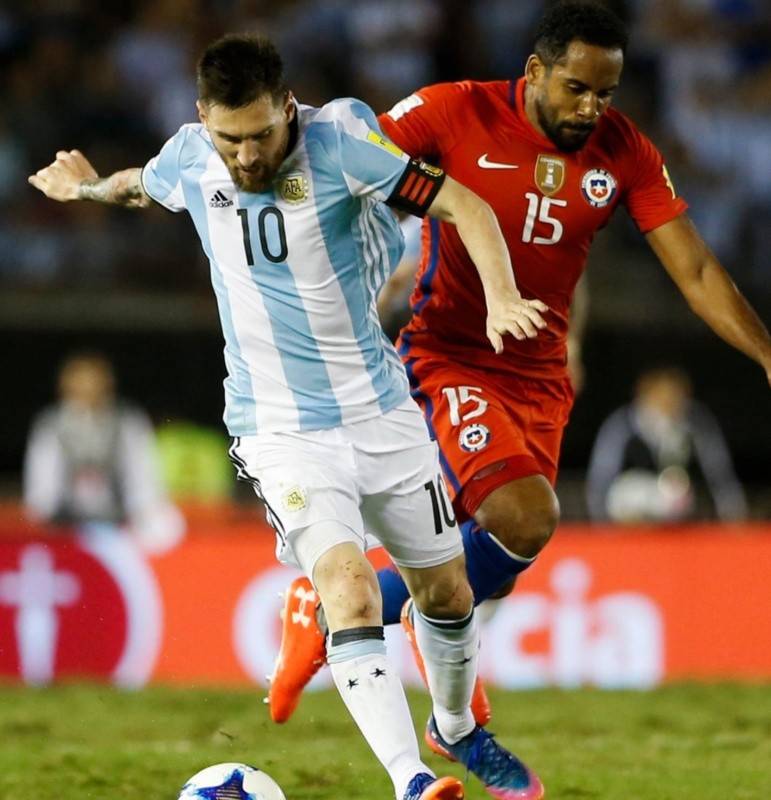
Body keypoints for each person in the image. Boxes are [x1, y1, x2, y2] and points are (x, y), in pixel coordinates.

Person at [29, 33, 547, 800]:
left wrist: (501, 294)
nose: (245, 157)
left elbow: (462, 203)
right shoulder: (192, 155)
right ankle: (410, 782)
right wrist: (88, 188)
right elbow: (145, 186)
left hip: (381, 410)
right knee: (350, 589)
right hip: (281, 430)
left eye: (261, 135)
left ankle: (457, 729)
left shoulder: (343, 148)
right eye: (229, 138)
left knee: (447, 594)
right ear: (203, 117)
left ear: (288, 109)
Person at [267, 0, 771, 735]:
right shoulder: (455, 111)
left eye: (606, 92)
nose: (591, 108)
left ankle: (331, 607)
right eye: (577, 88)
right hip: (449, 350)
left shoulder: (625, 151)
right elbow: (350, 163)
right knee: (523, 515)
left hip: (539, 374)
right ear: (536, 71)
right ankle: (348, 619)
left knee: (504, 551)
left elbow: (697, 269)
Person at [22, 350, 185, 553]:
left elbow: (145, 481)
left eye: (94, 382)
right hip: (65, 521)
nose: (88, 389)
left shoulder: (128, 421)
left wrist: (139, 514)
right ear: (65, 386)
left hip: (121, 521)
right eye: (80, 382)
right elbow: (41, 489)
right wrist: (50, 517)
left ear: (108, 384)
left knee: (167, 520)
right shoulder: (50, 425)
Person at [585, 365, 748, 523]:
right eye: (662, 397)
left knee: (674, 492)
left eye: (675, 397)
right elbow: (601, 477)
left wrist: (732, 510)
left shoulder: (695, 423)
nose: (669, 404)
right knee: (631, 492)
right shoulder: (623, 426)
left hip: (679, 511)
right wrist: (600, 520)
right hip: (628, 508)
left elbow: (718, 470)